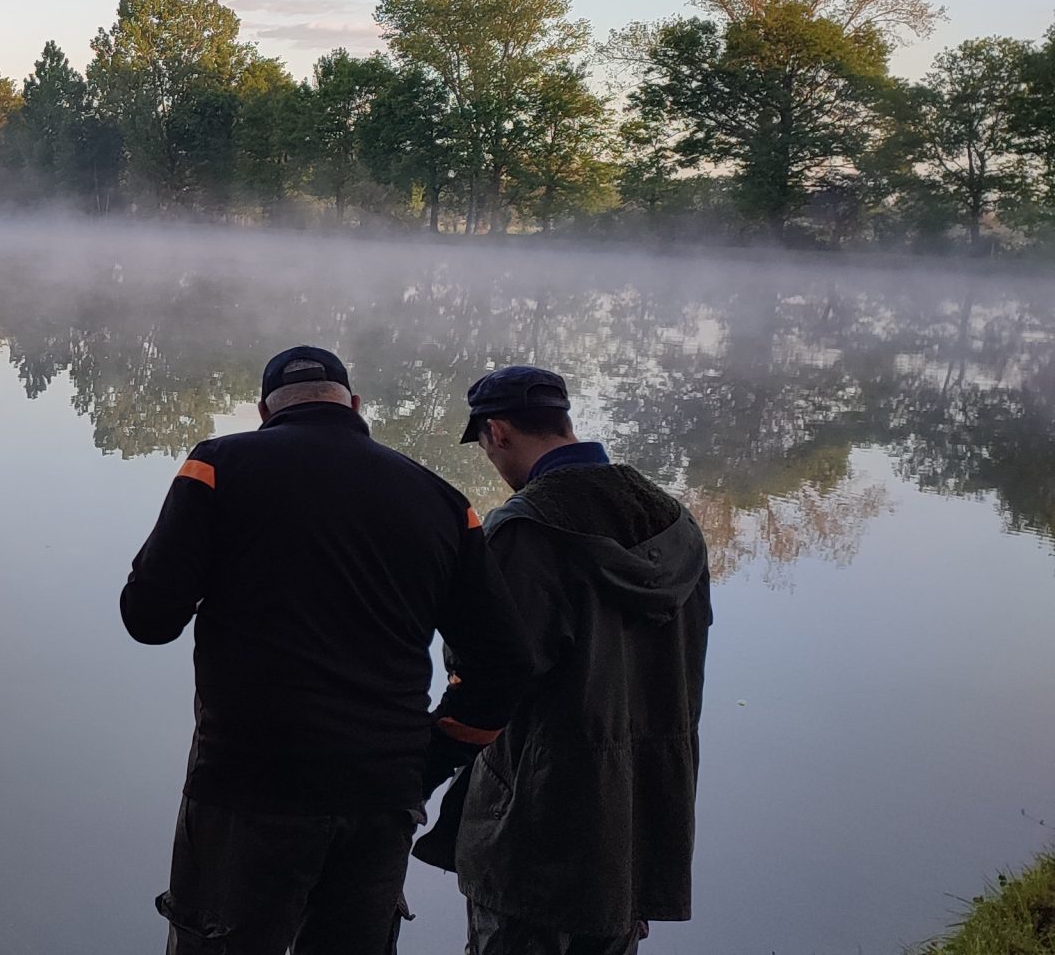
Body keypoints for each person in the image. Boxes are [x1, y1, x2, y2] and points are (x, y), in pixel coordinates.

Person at [121, 346, 538, 955]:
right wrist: (428, 759)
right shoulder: (444, 502)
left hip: (247, 786)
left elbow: (149, 619)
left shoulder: (217, 467)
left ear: (264, 410)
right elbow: (506, 666)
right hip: (382, 793)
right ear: (356, 406)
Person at [414, 366, 711, 955]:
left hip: (538, 816)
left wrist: (423, 766)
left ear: (496, 432)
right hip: (640, 814)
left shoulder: (524, 529)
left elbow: (488, 672)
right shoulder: (677, 524)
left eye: (484, 448)